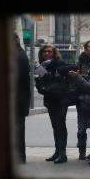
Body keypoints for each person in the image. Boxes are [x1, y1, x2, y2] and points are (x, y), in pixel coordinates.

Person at [34, 43, 69, 164]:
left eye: (50, 51)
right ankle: (57, 151)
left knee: (60, 126)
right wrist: (42, 89)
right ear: (41, 53)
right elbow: (39, 83)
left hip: (61, 100)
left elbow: (66, 78)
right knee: (55, 127)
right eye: (45, 51)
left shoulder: (59, 63)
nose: (47, 53)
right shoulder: (40, 66)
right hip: (50, 100)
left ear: (54, 53)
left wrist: (57, 79)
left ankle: (62, 153)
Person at [75, 39, 90, 160]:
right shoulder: (80, 61)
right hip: (82, 99)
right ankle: (82, 151)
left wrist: (82, 77)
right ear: (85, 49)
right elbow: (76, 77)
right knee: (81, 129)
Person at [15, 34, 31, 163]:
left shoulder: (15, 54)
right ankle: (20, 157)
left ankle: (18, 157)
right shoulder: (20, 53)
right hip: (21, 99)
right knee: (19, 128)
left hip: (16, 100)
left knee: (17, 129)